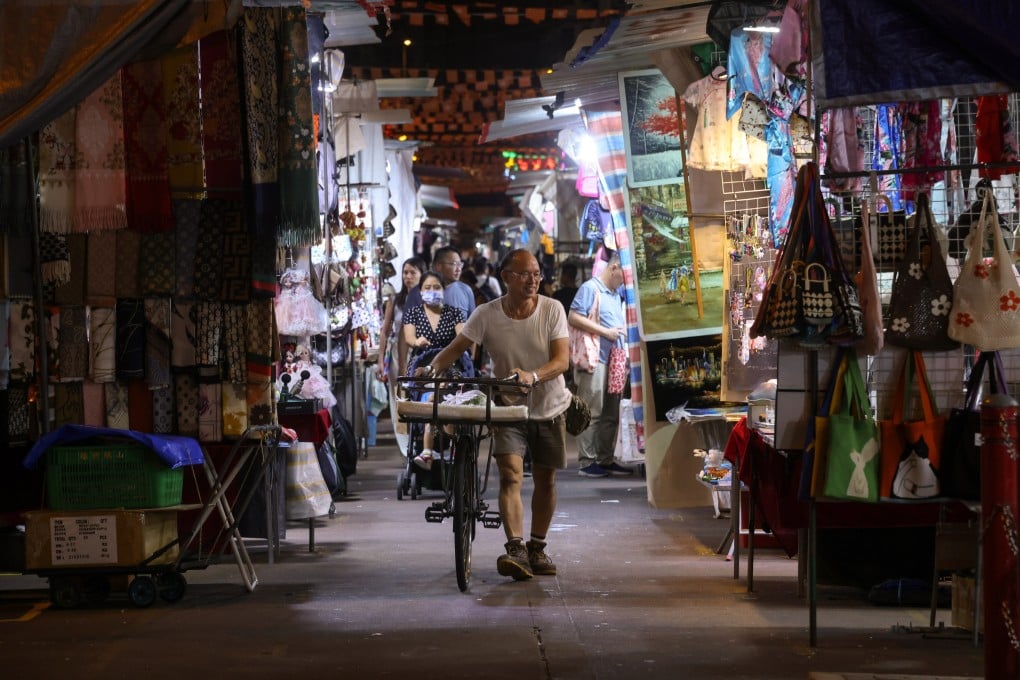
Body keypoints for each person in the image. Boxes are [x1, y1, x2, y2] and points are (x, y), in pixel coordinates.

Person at [415, 248, 571, 581]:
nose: (533, 280)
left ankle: (537, 546)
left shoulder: (552, 309)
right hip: (507, 407)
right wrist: (429, 368)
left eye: (536, 274)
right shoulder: (487, 314)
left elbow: (562, 360)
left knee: (546, 479)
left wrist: (534, 375)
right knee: (510, 473)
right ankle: (515, 548)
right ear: (507, 277)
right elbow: (456, 348)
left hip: (549, 405)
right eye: (525, 274)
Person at [568, 251, 632, 478]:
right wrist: (606, 332)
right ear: (614, 267)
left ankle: (604, 458)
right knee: (591, 410)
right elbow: (573, 317)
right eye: (624, 275)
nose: (626, 281)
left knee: (611, 412)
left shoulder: (615, 293)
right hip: (594, 359)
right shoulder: (590, 288)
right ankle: (587, 461)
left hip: (615, 360)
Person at [402, 271, 467, 470]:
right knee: (431, 399)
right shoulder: (413, 313)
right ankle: (428, 451)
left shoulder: (455, 313)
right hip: (423, 369)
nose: (432, 291)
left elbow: (462, 339)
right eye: (427, 288)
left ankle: (453, 449)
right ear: (420, 291)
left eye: (436, 287)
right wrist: (416, 342)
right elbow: (408, 338)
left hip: (449, 367)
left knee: (448, 400)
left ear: (443, 290)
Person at [376, 257, 426, 384]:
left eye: (413, 272)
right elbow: (385, 332)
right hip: (397, 354)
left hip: (421, 353)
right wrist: (380, 360)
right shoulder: (395, 301)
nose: (408, 276)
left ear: (422, 275)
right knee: (398, 393)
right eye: (405, 272)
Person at [432, 245, 476, 319]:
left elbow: (473, 323)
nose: (458, 269)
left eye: (460, 264)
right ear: (438, 266)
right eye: (454, 264)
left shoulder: (466, 290)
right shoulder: (421, 291)